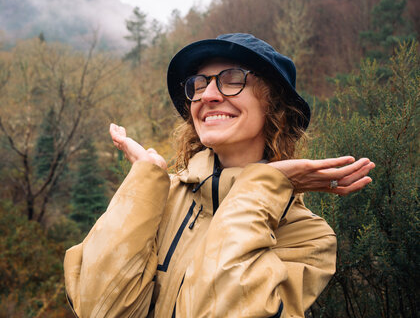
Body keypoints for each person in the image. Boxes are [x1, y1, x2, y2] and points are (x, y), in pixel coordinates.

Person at [64, 33, 375, 317]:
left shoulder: (308, 238)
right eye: (199, 84)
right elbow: (97, 308)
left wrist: (259, 189)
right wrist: (145, 181)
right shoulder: (161, 198)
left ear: (274, 102)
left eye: (232, 79)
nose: (208, 94)